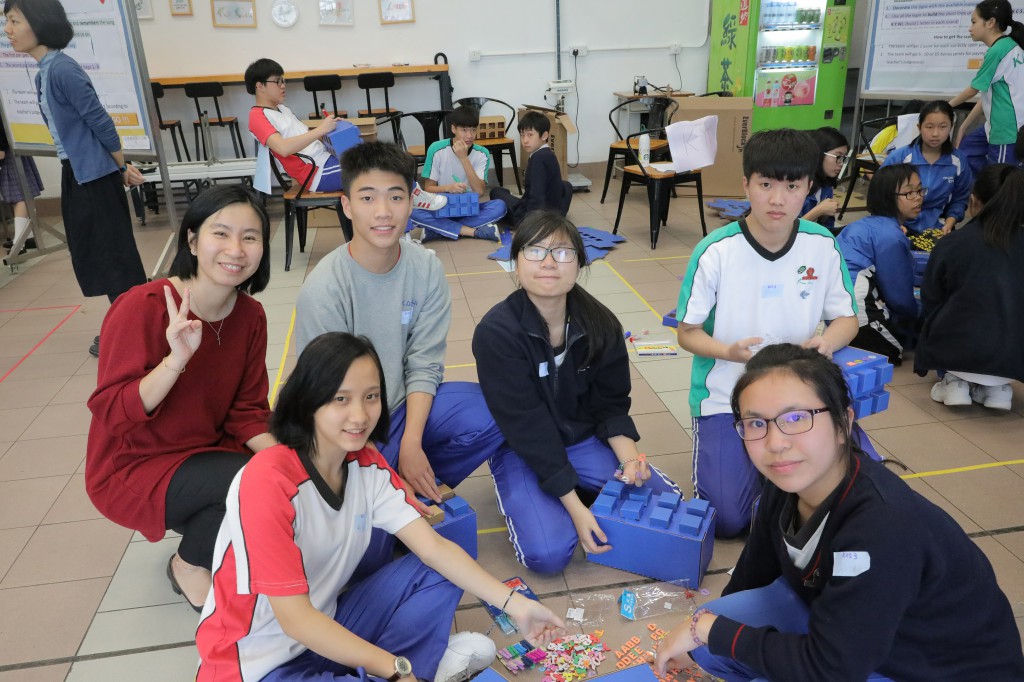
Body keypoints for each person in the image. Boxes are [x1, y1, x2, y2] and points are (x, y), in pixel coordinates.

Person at [195, 332, 565, 681]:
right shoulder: (268, 480)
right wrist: (396, 667)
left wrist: (517, 606)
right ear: (308, 401)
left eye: (371, 396)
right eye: (341, 399)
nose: (360, 415)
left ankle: (402, 670)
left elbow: (434, 549)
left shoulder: (366, 465)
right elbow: (296, 620)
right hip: (255, 665)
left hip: (329, 627)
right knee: (393, 665)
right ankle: (409, 669)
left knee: (440, 568)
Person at [653, 344, 1024, 682]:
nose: (776, 443)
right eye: (756, 423)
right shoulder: (784, 487)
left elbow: (832, 669)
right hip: (862, 636)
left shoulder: (882, 525)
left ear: (844, 423)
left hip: (933, 668)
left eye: (796, 418)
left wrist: (709, 630)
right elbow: (752, 576)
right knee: (713, 645)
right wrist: (708, 635)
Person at [294, 142, 505, 570]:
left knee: (494, 410)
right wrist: (382, 470)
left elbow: (425, 362)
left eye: (395, 196)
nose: (383, 212)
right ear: (347, 206)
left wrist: (410, 444)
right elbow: (329, 401)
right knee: (367, 560)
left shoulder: (424, 268)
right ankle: (393, 482)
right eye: (367, 198)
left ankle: (414, 472)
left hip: (399, 410)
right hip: (343, 428)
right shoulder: (325, 288)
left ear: (412, 201)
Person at [86, 185, 276, 611]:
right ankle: (187, 565)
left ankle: (212, 526)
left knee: (278, 471)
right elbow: (113, 413)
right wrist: (175, 361)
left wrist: (293, 463)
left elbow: (247, 412)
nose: (236, 249)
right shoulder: (142, 306)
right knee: (247, 480)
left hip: (206, 452)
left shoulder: (250, 316)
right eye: (220, 233)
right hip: (135, 463)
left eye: (250, 237)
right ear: (192, 240)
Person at [472, 212, 682, 574]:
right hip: (522, 448)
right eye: (535, 251)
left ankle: (579, 484)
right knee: (549, 555)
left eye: (563, 252)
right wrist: (575, 508)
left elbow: (611, 403)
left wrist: (630, 461)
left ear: (580, 262)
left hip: (580, 439)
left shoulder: (600, 323)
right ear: (516, 261)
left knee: (667, 504)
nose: (549, 263)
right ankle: (560, 491)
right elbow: (527, 427)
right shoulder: (497, 333)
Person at [675, 128, 860, 538]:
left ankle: (778, 479)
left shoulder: (822, 244)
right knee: (727, 520)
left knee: (851, 493)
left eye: (792, 186)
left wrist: (828, 342)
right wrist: (729, 351)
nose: (778, 199)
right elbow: (687, 333)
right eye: (766, 185)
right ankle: (770, 478)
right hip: (726, 394)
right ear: (746, 185)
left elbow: (847, 319)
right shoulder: (715, 251)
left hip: (798, 394)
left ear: (808, 187)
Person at [4, 0, 147, 358]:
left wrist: (120, 168)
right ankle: (132, 326)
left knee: (114, 256)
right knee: (102, 254)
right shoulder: (47, 70)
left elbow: (100, 122)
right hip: (82, 173)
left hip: (93, 177)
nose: (8, 30)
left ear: (39, 22)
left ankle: (137, 331)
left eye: (14, 21)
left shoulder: (62, 69)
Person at [916, 163, 1024, 411]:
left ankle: (954, 383)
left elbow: (930, 298)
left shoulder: (954, 243)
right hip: (1015, 358)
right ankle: (999, 390)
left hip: (956, 352)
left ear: (973, 201)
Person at [835, 164, 923, 364]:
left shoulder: (865, 224)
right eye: (909, 192)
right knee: (895, 351)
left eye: (919, 190)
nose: (918, 197)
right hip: (854, 312)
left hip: (831, 307)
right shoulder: (891, 235)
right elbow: (900, 298)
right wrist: (922, 313)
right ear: (887, 197)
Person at [410, 104, 506, 242]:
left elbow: (479, 192)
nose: (469, 135)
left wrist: (464, 158)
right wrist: (448, 188)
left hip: (469, 208)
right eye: (464, 130)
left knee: (500, 206)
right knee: (411, 210)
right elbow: (428, 188)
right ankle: (472, 232)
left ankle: (437, 230)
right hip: (441, 208)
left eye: (473, 130)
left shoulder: (482, 153)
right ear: (453, 129)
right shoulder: (436, 149)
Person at [246, 58, 342, 192]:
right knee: (368, 170)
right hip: (316, 172)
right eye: (277, 81)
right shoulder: (257, 116)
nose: (283, 86)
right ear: (260, 86)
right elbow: (283, 148)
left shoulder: (282, 109)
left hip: (326, 160)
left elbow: (307, 137)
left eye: (283, 81)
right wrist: (321, 129)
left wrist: (330, 128)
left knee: (367, 159)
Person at [951, 0, 1024, 174]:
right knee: (964, 152)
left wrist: (945, 106)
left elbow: (973, 89)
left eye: (974, 22)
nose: (970, 28)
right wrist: (963, 126)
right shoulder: (1010, 46)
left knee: (1000, 179)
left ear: (990, 22)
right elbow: (987, 94)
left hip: (1006, 130)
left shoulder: (997, 50)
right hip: (996, 126)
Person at [881, 100, 972, 235]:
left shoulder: (958, 161)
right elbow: (881, 195)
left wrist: (949, 222)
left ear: (951, 127)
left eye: (943, 127)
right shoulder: (899, 157)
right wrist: (894, 223)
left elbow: (960, 198)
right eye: (929, 127)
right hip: (900, 226)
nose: (935, 133)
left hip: (939, 228)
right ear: (919, 127)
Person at [490, 111, 572, 225]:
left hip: (533, 217)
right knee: (566, 185)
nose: (525, 140)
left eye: (530, 135)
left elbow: (536, 196)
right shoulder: (549, 154)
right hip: (553, 213)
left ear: (544, 136)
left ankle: (537, 219)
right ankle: (555, 216)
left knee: (496, 192)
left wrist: (531, 225)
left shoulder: (537, 158)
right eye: (522, 135)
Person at [0, 116, 43, 254]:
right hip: (13, 144)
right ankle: (27, 237)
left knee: (20, 196)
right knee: (18, 195)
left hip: (8, 149)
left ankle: (19, 244)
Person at [800, 127, 848, 232]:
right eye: (838, 156)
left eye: (844, 158)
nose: (841, 163)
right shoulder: (796, 185)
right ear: (819, 153)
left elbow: (826, 228)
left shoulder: (826, 186)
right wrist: (819, 210)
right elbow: (787, 231)